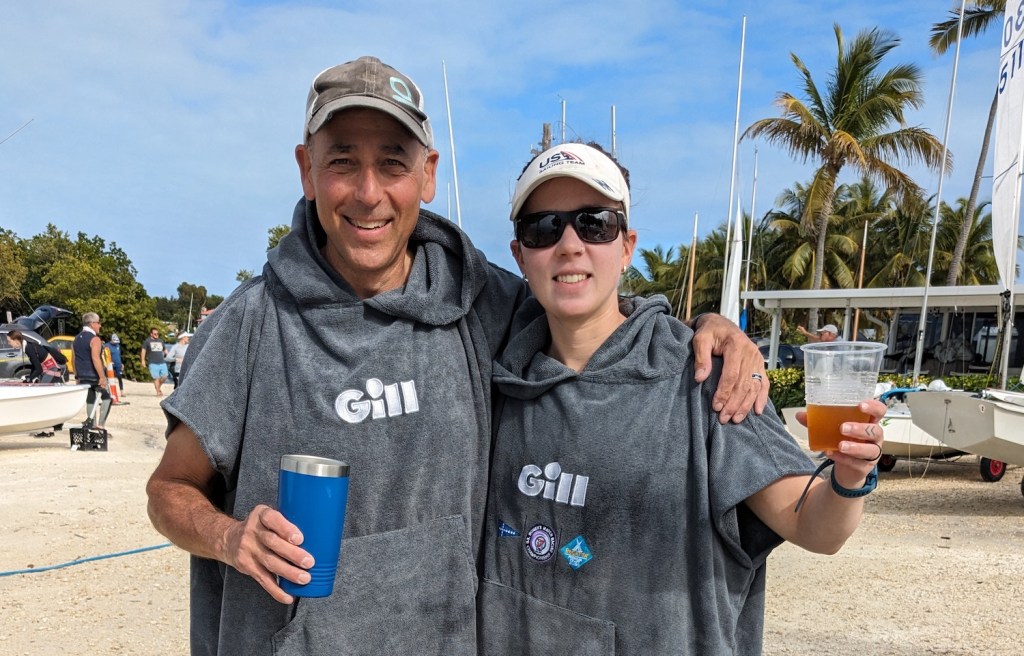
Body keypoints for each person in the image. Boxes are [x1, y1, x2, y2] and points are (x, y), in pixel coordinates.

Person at [145, 56, 768, 656]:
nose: (368, 192)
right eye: (342, 162)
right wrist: (228, 537)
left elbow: (584, 307)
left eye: (393, 163)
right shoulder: (252, 323)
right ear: (307, 171)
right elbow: (169, 489)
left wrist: (706, 329)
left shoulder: (479, 301)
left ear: (428, 174)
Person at [477, 143, 885, 654]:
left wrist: (849, 475)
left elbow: (815, 528)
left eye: (594, 223)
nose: (570, 245)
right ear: (519, 255)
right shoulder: (494, 374)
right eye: (544, 228)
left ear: (627, 246)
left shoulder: (707, 376)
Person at [73, 312, 112, 430]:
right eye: (98, 323)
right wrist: (102, 377)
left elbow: (73, 359)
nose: (100, 325)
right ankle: (100, 425)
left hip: (82, 375)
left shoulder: (76, 339)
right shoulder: (95, 339)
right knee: (107, 398)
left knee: (90, 399)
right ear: (92, 324)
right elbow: (95, 358)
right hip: (94, 374)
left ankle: (92, 424)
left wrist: (77, 376)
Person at [141, 327, 169, 396]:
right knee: (156, 378)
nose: (156, 335)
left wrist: (169, 356)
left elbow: (165, 350)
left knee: (165, 377)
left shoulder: (160, 341)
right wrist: (143, 360)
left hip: (162, 362)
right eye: (155, 334)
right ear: (151, 334)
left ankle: (158, 387)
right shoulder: (147, 341)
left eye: (157, 334)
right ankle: (158, 392)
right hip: (153, 363)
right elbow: (143, 351)